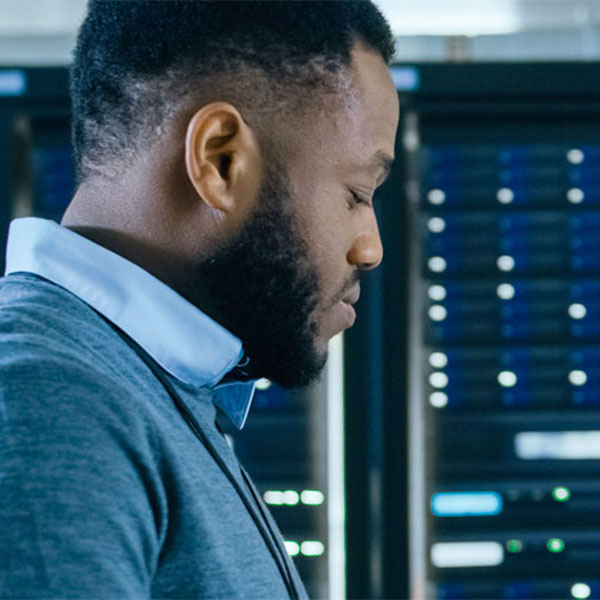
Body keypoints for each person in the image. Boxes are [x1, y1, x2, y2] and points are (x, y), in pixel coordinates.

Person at [0, 1, 399, 597]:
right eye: (357, 193)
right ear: (220, 160)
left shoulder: (138, 388)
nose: (371, 248)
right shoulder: (46, 401)